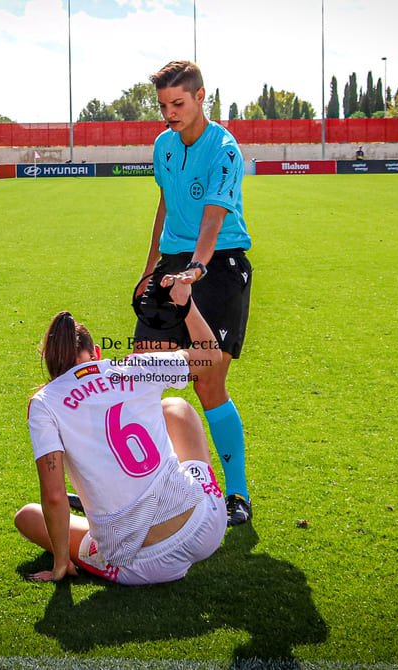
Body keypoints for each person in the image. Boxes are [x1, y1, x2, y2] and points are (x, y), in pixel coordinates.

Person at [16, 276, 226, 584]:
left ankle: (104, 521)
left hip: (143, 565)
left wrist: (61, 560)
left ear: (50, 366)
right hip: (205, 527)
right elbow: (211, 357)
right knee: (177, 408)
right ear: (97, 353)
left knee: (28, 517)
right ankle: (187, 496)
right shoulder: (133, 366)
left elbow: (54, 495)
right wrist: (186, 304)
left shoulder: (45, 403)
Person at [135, 60, 254, 526]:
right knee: (143, 375)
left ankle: (237, 494)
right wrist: (151, 271)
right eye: (163, 106)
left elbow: (213, 216)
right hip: (170, 264)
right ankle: (138, 488)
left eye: (178, 104)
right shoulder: (163, 145)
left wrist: (197, 268)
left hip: (219, 265)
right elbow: (165, 203)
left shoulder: (224, 148)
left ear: (202, 97)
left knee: (207, 380)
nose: (169, 114)